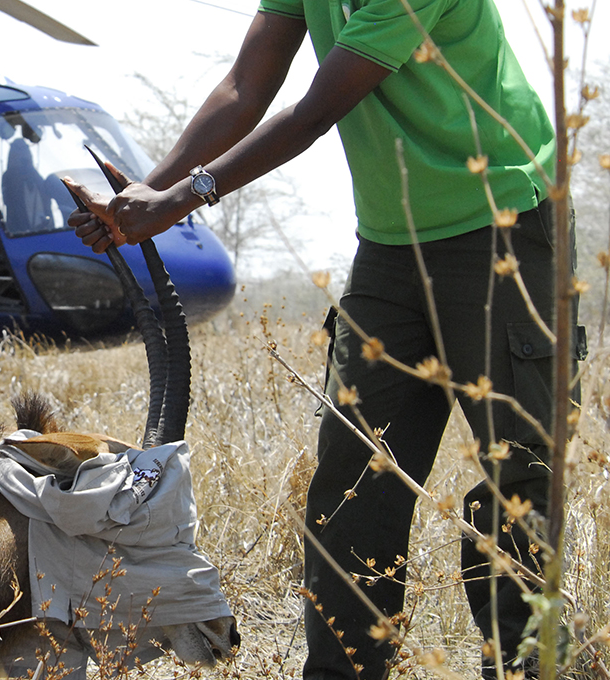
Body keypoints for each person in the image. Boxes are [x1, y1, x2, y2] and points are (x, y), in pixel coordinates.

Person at [65, 2, 575, 679]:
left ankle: (530, 668)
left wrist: (178, 200)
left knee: (517, 477)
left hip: (500, 227)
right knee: (355, 481)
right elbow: (247, 84)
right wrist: (140, 198)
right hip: (391, 246)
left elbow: (313, 110)